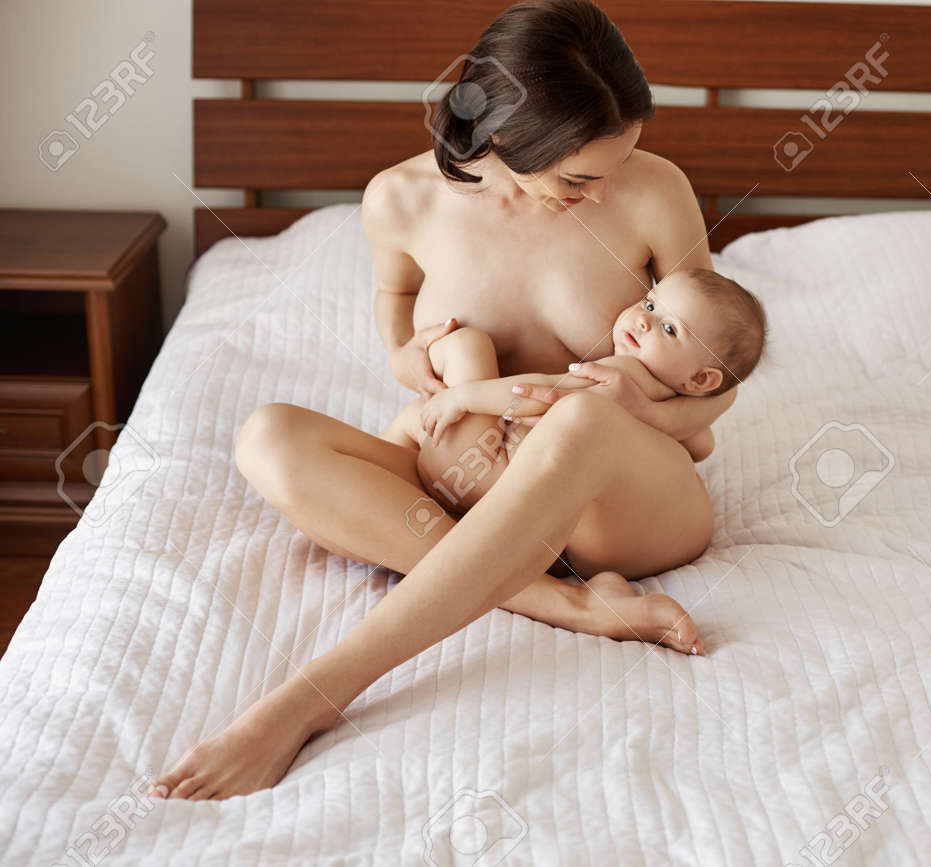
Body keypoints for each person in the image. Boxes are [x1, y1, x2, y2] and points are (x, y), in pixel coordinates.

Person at [152, 0, 739, 800]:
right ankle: (561, 604)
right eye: (578, 177)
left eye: (618, 164)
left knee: (583, 417)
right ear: (504, 137)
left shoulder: (653, 191)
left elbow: (713, 379)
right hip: (469, 481)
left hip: (617, 507)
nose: (603, 193)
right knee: (268, 436)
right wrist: (406, 354)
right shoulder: (398, 199)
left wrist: (639, 411)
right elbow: (394, 304)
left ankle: (314, 695)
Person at [384, 268, 766, 518]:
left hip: (490, 473)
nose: (644, 320)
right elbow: (702, 447)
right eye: (650, 303)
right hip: (536, 503)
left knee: (466, 346)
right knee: (416, 418)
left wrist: (463, 397)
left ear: (702, 381)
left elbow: (540, 392)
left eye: (670, 330)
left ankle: (391, 458)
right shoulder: (676, 410)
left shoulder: (624, 375)